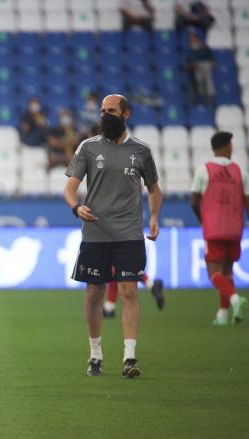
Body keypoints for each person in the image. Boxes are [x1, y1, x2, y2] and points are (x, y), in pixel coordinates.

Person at [64, 94, 162, 378]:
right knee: (94, 293)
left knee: (128, 290)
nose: (105, 115)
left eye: (111, 111)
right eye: (103, 111)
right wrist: (75, 207)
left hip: (129, 232)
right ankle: (95, 354)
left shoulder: (141, 151)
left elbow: (154, 189)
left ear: (126, 114)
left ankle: (130, 357)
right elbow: (70, 187)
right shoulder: (88, 147)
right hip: (95, 232)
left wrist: (154, 217)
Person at [190, 131, 249, 326]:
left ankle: (233, 299)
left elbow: (194, 201)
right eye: (231, 144)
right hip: (234, 229)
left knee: (214, 273)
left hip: (214, 229)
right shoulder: (241, 171)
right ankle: (223, 315)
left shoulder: (203, 170)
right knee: (228, 271)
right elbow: (247, 203)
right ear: (226, 146)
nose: (232, 148)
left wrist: (203, 219)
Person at [186, 32, 216, 106]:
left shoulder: (206, 49)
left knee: (207, 80)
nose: (193, 42)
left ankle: (208, 101)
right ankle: (196, 106)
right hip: (193, 75)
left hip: (206, 71)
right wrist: (194, 65)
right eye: (191, 41)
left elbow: (213, 63)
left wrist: (206, 65)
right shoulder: (189, 52)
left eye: (194, 40)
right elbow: (187, 65)